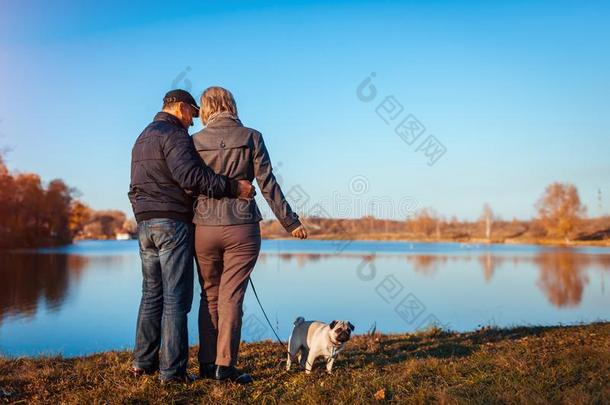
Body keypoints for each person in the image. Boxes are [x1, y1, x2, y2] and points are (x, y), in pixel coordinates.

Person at [128, 89, 255, 383]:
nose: (193, 122)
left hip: (145, 225)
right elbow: (192, 178)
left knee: (151, 294)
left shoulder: (142, 136)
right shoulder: (175, 136)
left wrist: (141, 214)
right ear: (181, 108)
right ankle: (172, 372)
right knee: (176, 298)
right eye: (192, 115)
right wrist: (234, 188)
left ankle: (142, 363)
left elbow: (134, 184)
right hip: (172, 223)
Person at [192, 86, 307, 384]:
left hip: (203, 227)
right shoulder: (251, 136)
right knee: (231, 297)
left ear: (206, 108)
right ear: (231, 105)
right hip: (242, 226)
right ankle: (224, 367)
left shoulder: (194, 141)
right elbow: (268, 184)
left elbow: (188, 185)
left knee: (209, 295)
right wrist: (290, 222)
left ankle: (206, 363)